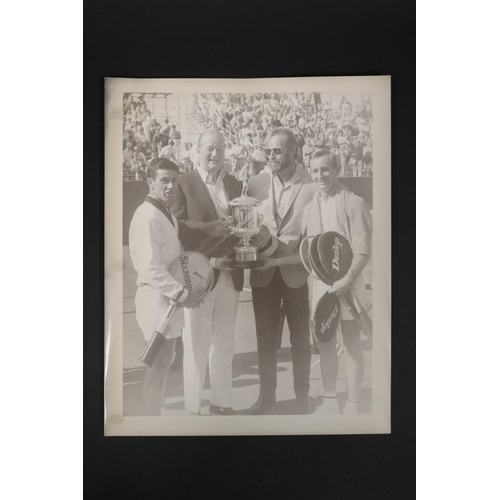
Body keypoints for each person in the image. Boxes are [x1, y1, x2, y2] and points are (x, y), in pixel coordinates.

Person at [171, 129, 244, 416]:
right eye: (210, 149)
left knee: (225, 343)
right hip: (199, 276)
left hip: (231, 274)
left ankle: (221, 402)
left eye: (220, 149)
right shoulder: (183, 183)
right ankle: (192, 407)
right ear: (196, 150)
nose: (215, 155)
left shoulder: (236, 185)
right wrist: (210, 229)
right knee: (196, 346)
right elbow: (178, 225)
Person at [247, 128, 317, 415]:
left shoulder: (312, 185)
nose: (271, 156)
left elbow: (313, 238)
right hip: (263, 273)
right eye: (268, 150)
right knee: (265, 339)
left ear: (293, 152)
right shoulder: (255, 183)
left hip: (294, 272)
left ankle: (302, 396)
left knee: (300, 339)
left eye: (278, 150)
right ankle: (267, 397)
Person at [128, 158, 203, 416]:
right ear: (150, 182)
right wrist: (182, 293)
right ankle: (149, 426)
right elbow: (150, 267)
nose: (171, 186)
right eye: (164, 181)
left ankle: (152, 420)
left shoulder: (166, 212)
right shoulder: (148, 215)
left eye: (174, 180)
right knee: (157, 368)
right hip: (155, 301)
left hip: (168, 301)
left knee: (163, 365)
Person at [302, 149, 372, 414]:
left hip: (349, 285)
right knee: (325, 341)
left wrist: (346, 281)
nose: (320, 175)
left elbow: (363, 251)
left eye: (325, 170)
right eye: (315, 170)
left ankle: (353, 403)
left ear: (337, 169)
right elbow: (308, 250)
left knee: (351, 343)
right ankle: (330, 400)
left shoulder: (354, 202)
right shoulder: (311, 207)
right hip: (320, 287)